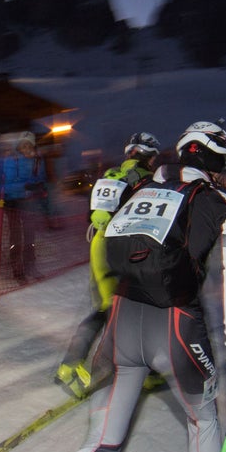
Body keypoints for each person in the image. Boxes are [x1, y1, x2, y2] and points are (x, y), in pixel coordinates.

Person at [1, 121, 226, 452]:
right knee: (203, 422)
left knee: (99, 446)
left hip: (121, 319)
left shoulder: (143, 188)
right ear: (218, 162)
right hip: (176, 326)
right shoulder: (224, 204)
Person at [55, 132, 160, 398]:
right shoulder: (147, 180)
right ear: (151, 157)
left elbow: (94, 214)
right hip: (125, 249)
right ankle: (84, 367)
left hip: (100, 243)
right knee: (132, 308)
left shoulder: (111, 174)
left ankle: (72, 365)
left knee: (108, 307)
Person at [0, 132, 47, 283]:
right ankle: (17, 269)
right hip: (12, 201)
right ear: (18, 147)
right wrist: (26, 186)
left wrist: (38, 186)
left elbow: (41, 178)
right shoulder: (12, 159)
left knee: (30, 234)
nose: (26, 148)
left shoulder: (37, 160)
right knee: (16, 236)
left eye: (29, 145)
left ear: (33, 146)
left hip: (29, 201)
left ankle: (30, 265)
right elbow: (8, 184)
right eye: (23, 145)